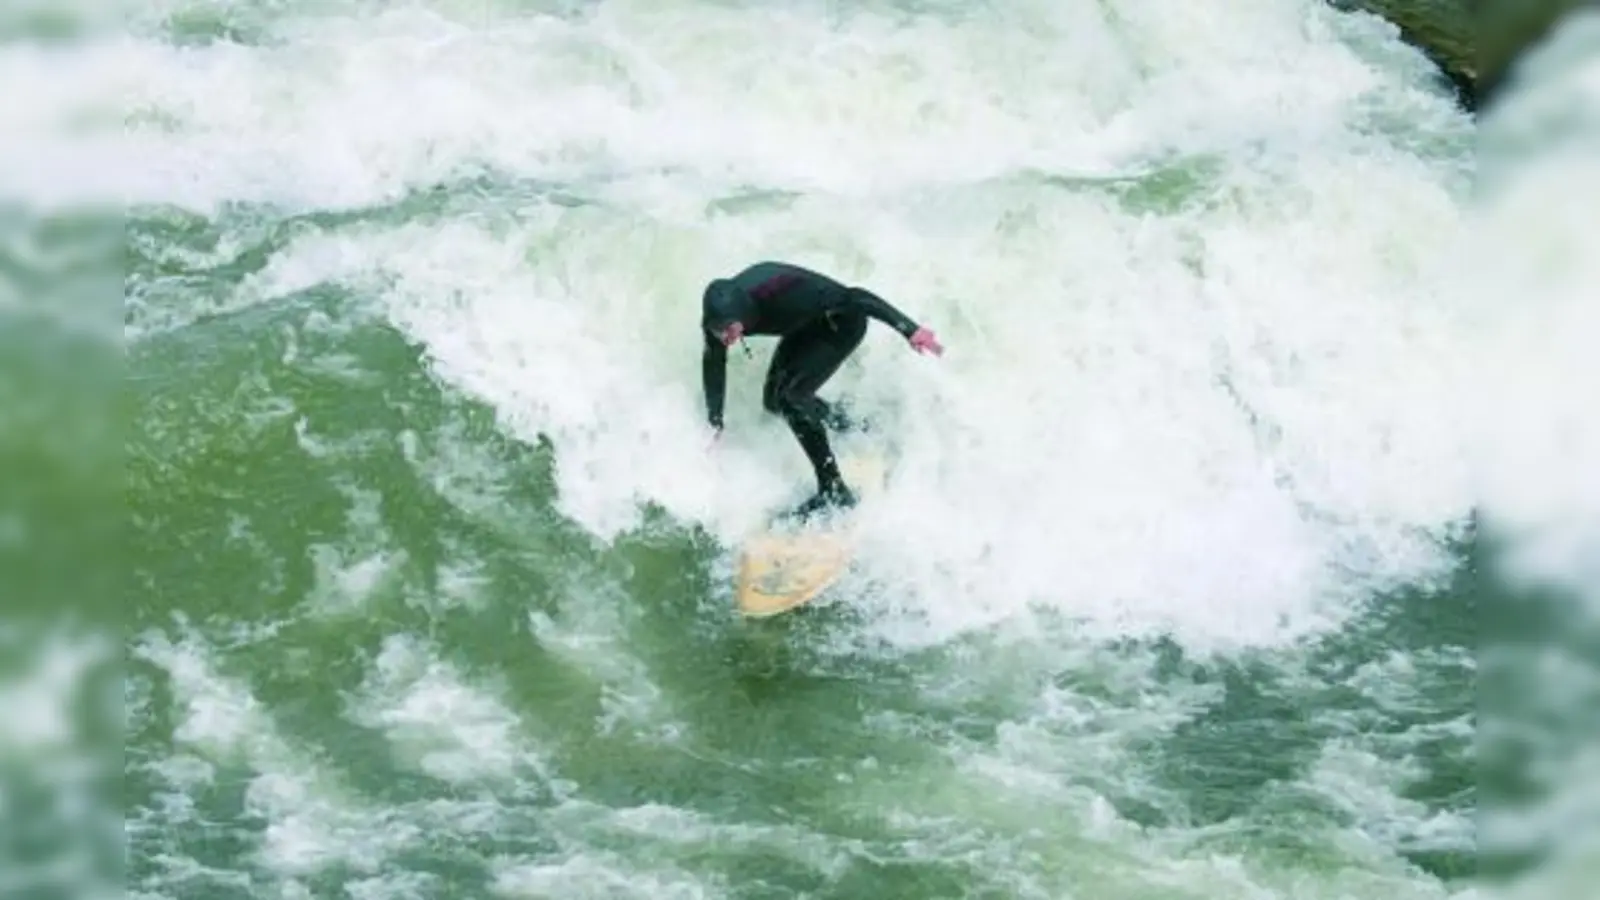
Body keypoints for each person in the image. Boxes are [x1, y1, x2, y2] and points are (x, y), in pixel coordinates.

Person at [700, 260, 944, 520]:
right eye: (719, 330)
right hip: (803, 326)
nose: (725, 337)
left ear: (744, 313)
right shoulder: (717, 322)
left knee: (791, 399)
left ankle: (835, 491)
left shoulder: (776, 290)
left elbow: (856, 297)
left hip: (840, 324)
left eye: (730, 329)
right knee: (773, 402)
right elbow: (714, 363)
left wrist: (909, 329)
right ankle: (849, 427)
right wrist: (716, 422)